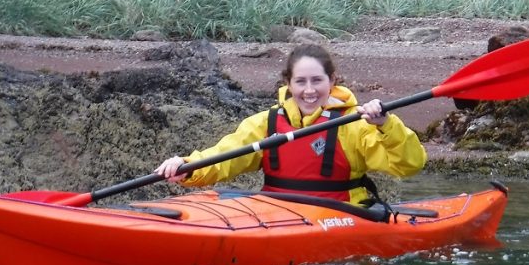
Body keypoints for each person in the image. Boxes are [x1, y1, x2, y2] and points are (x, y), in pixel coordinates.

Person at [156, 43, 427, 205]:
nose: (309, 91)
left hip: (338, 216)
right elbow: (224, 157)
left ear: (333, 81)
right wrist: (187, 166)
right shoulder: (266, 122)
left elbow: (409, 165)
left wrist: (386, 124)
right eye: (300, 82)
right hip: (276, 213)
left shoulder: (355, 124)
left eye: (317, 81)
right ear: (288, 83)